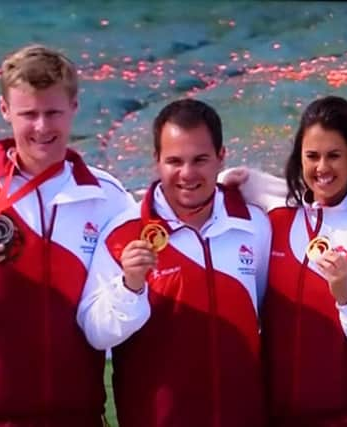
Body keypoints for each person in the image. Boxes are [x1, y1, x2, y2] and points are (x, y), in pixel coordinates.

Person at [77, 98, 272, 427]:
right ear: (156, 161)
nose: (187, 174)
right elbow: (96, 333)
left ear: (221, 157)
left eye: (200, 160)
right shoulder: (123, 233)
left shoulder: (253, 224)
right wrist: (129, 287)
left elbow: (266, 312)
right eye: (174, 161)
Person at [0, 44, 135, 426]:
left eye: (53, 113)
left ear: (74, 108)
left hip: (78, 415)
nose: (42, 127)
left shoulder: (107, 197)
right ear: (4, 111)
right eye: (28, 114)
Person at [256, 95, 347, 426]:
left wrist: (345, 295)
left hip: (346, 416)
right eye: (312, 156)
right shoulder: (276, 219)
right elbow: (231, 181)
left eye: (334, 155)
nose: (322, 168)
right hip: (271, 414)